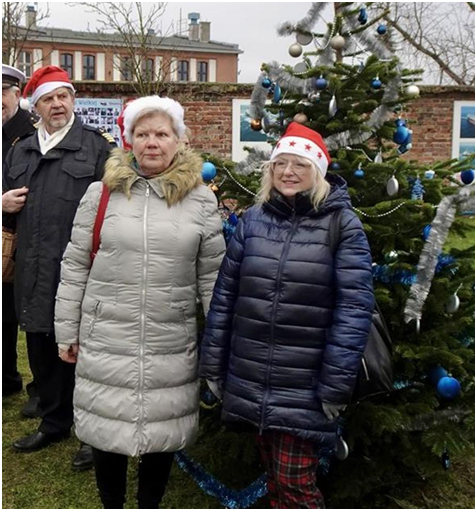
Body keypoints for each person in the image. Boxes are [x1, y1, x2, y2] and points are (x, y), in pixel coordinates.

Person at [55, 96, 226, 509]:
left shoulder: (201, 201)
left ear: (179, 140)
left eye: (162, 134)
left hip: (171, 337)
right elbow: (76, 263)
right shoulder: (100, 195)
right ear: (128, 140)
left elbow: (214, 279)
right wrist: (67, 330)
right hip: (107, 334)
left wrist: (220, 345)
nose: (152, 142)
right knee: (105, 429)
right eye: (143, 134)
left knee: (163, 433)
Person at [200, 122, 375, 509]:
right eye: (281, 163)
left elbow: (353, 311)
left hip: (306, 384)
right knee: (277, 482)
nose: (288, 172)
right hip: (251, 375)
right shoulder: (252, 221)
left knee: (295, 484)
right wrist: (213, 366)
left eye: (300, 164)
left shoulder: (342, 225)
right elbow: (225, 296)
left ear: (318, 172)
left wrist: (334, 387)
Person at [2, 66, 115, 471]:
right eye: (49, 99)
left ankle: (90, 434)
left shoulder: (98, 149)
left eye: (64, 97)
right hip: (31, 269)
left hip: (80, 272)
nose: (58, 105)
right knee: (41, 349)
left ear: (73, 101)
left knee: (83, 355)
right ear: (37, 106)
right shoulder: (22, 150)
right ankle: (54, 422)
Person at [1, 64, 36, 401]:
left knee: (19, 313)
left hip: (23, 236)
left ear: (17, 94)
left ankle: (31, 385)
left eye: (2, 92)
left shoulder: (31, 136)